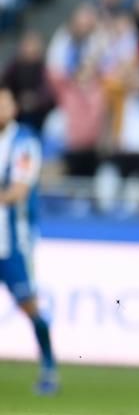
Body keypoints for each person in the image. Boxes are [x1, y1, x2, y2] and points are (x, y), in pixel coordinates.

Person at [0, 85, 56, 394]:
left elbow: (19, 190)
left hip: (13, 243)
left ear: (14, 108)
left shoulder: (24, 143)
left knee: (29, 304)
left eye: (4, 103)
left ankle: (48, 367)